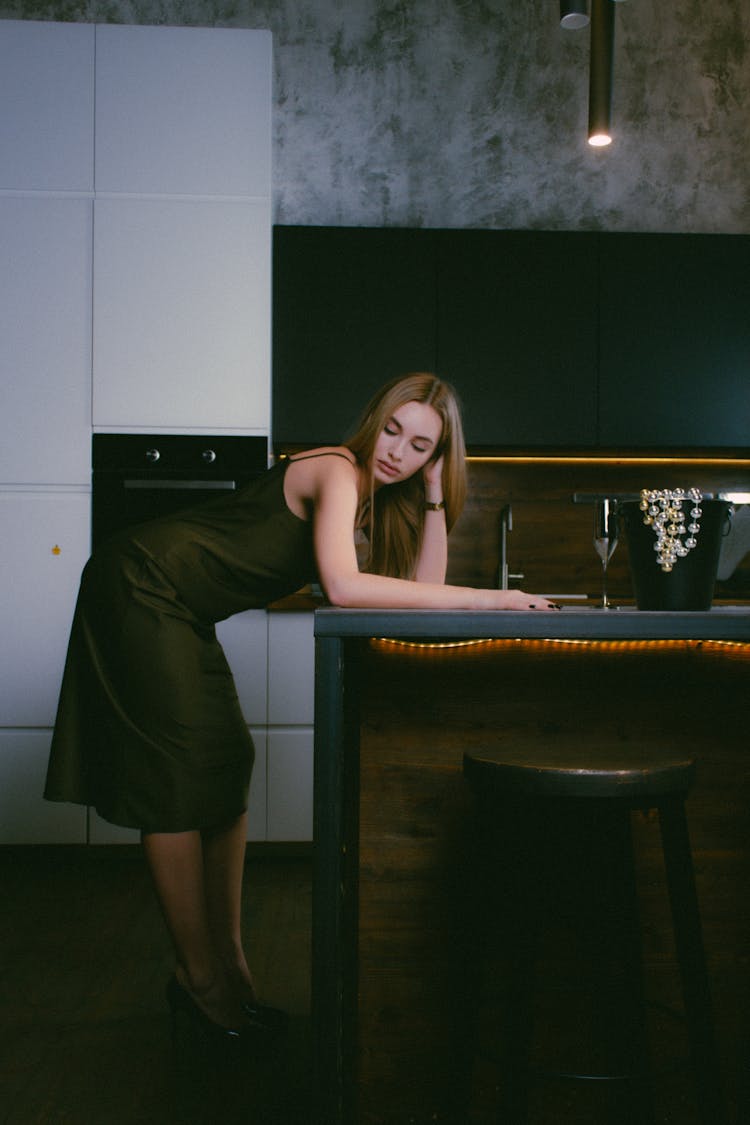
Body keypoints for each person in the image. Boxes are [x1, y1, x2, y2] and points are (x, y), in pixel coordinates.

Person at [44, 372, 558, 1043]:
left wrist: (434, 496)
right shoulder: (339, 471)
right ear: (375, 419)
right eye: (394, 429)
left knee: (227, 763)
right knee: (175, 779)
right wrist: (491, 597)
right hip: (138, 583)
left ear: (435, 458)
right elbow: (344, 587)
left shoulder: (381, 498)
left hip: (179, 605)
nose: (397, 450)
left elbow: (422, 592)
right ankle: (197, 981)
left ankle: (229, 964)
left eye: (421, 446)